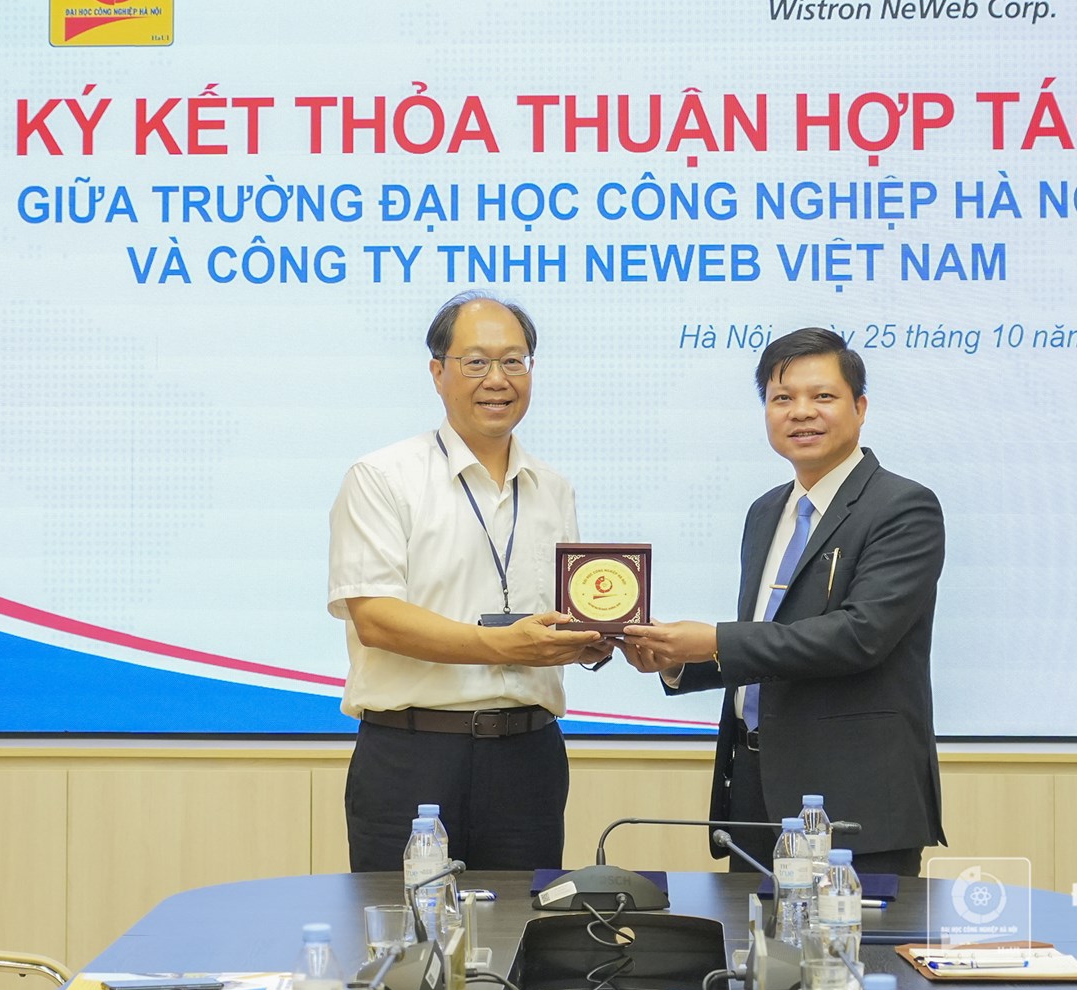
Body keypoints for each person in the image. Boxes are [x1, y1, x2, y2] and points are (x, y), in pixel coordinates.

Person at [622, 326, 945, 877]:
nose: (801, 412)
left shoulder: (903, 507)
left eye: (823, 396)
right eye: (782, 398)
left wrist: (714, 641)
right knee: (748, 937)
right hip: (753, 792)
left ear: (860, 407)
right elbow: (767, 639)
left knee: (854, 938)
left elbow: (860, 635)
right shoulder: (766, 512)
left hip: (853, 800)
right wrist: (678, 659)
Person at [328, 293, 609, 873]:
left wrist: (593, 639)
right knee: (405, 924)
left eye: (514, 361)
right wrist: (502, 645)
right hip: (412, 755)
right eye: (476, 361)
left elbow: (565, 611)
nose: (497, 380)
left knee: (521, 923)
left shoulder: (553, 488)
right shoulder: (382, 477)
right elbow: (375, 618)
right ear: (438, 372)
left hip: (529, 757)